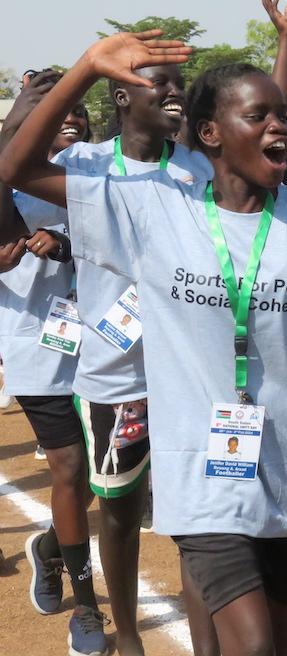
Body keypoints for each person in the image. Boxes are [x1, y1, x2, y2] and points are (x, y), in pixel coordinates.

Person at [0, 32, 287, 656]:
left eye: (281, 116)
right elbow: (19, 170)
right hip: (201, 476)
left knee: (275, 645)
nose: (277, 125)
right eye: (258, 115)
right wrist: (87, 68)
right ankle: (118, 624)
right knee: (250, 645)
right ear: (210, 134)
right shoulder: (156, 209)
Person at [3, 54, 212, 656]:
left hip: (185, 371)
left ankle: (205, 634)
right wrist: (81, 75)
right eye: (159, 83)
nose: (175, 92)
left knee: (184, 513)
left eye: (179, 84)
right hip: (100, 369)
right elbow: (14, 177)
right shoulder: (85, 165)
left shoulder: (197, 168)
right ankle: (105, 617)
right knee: (101, 498)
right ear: (121, 98)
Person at [0, 71, 107, 656]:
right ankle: (86, 607)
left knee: (95, 477)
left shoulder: (92, 171)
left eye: (76, 111)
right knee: (68, 467)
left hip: (107, 347)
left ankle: (48, 546)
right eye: (52, 109)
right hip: (36, 350)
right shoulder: (9, 181)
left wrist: (67, 244)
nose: (69, 119)